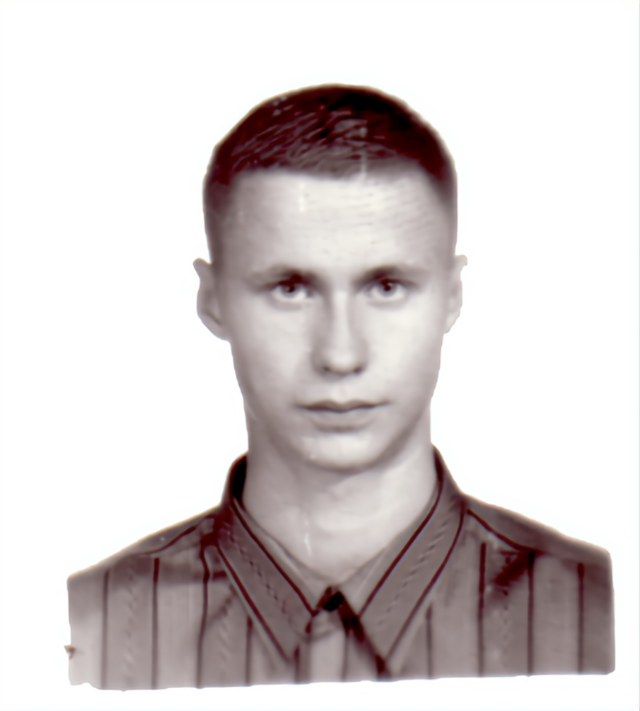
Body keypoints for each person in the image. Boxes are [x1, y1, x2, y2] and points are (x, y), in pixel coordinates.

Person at [66, 85, 614, 690]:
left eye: (386, 287)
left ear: (452, 296)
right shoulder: (80, 633)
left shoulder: (606, 618)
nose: (341, 355)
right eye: (290, 289)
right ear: (212, 300)